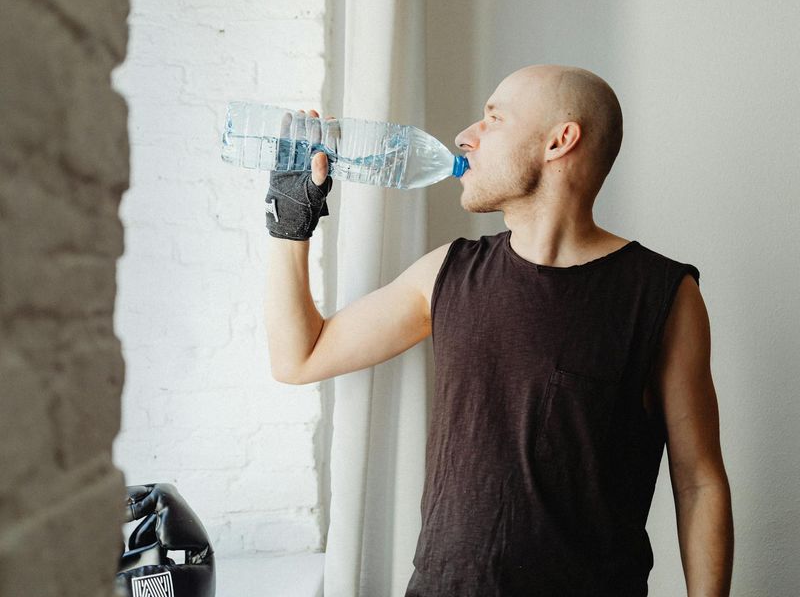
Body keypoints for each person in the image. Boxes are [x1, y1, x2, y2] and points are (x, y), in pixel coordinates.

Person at [263, 64, 734, 596]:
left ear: (559, 141)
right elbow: (299, 357)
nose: (465, 137)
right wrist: (290, 220)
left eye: (493, 119)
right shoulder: (446, 272)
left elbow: (699, 482)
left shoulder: (664, 296)